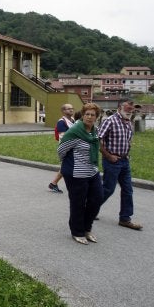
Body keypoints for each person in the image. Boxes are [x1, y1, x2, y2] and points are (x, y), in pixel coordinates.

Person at [58, 103, 103, 245]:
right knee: (78, 203)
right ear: (83, 115)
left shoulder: (94, 130)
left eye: (93, 115)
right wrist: (70, 163)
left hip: (92, 171)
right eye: (87, 114)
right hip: (76, 172)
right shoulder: (75, 131)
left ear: (97, 117)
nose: (89, 117)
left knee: (97, 199)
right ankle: (77, 231)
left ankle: (87, 228)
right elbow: (61, 150)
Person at [98, 98, 143, 230]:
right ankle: (90, 208)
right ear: (119, 107)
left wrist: (127, 154)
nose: (130, 110)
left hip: (124, 161)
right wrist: (108, 155)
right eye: (128, 108)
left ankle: (125, 218)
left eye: (132, 108)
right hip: (112, 161)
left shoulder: (128, 122)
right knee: (108, 189)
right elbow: (97, 139)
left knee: (128, 190)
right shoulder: (110, 121)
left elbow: (127, 140)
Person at [49, 103, 75, 193]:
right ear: (63, 111)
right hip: (66, 148)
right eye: (68, 109)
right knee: (67, 167)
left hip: (73, 147)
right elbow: (64, 137)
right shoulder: (61, 122)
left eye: (72, 108)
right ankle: (54, 183)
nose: (71, 110)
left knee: (66, 166)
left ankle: (53, 183)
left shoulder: (72, 120)